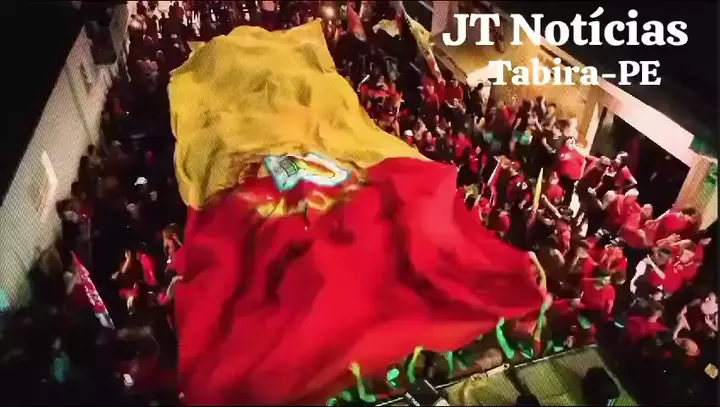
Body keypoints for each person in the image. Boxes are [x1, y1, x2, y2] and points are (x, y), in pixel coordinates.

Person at [556, 137, 585, 205]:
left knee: (569, 192)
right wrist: (565, 157)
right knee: (561, 190)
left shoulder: (577, 152)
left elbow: (583, 162)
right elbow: (561, 157)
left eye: (572, 142)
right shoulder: (563, 149)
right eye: (569, 142)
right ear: (565, 143)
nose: (571, 143)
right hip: (563, 175)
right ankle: (558, 202)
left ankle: (565, 205)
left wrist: (581, 176)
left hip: (573, 177)